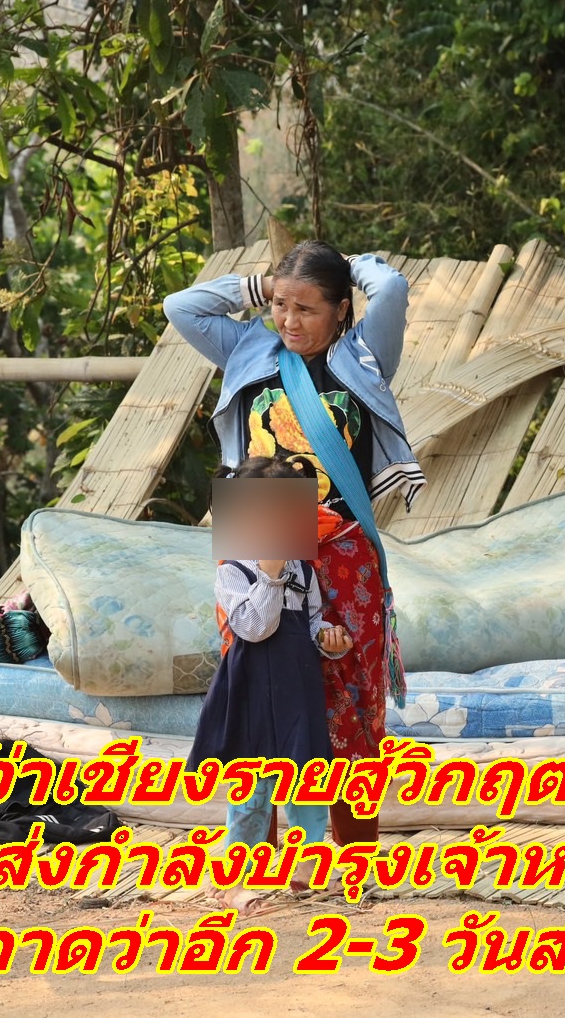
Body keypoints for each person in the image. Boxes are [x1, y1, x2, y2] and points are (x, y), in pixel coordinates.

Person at [163, 241, 419, 849]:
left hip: (340, 541)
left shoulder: (364, 355)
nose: (290, 321)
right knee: (257, 685)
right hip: (255, 531)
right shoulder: (247, 347)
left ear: (341, 310)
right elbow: (181, 307)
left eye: (307, 308)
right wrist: (259, 286)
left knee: (349, 694)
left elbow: (393, 289)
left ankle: (353, 854)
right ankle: (257, 853)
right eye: (281, 305)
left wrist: (350, 265)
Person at [193, 454, 352, 912]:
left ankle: (306, 867)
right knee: (252, 792)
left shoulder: (303, 568)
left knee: (308, 779)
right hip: (251, 692)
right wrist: (270, 571)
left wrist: (330, 640)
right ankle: (232, 879)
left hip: (297, 688)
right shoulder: (233, 570)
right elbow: (255, 628)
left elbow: (313, 621)